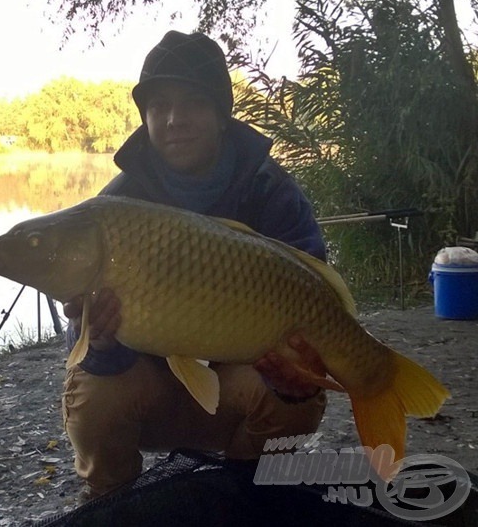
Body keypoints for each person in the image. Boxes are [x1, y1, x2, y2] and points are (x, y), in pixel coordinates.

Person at [61, 30, 329, 498]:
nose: (173, 120)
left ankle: (249, 491)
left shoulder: (271, 192)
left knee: (297, 399)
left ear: (223, 114)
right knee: (94, 395)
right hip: (151, 390)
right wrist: (101, 341)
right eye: (158, 106)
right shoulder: (117, 206)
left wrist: (298, 369)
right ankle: (111, 500)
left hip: (241, 382)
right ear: (144, 117)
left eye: (192, 104)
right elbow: (83, 347)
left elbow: (317, 291)